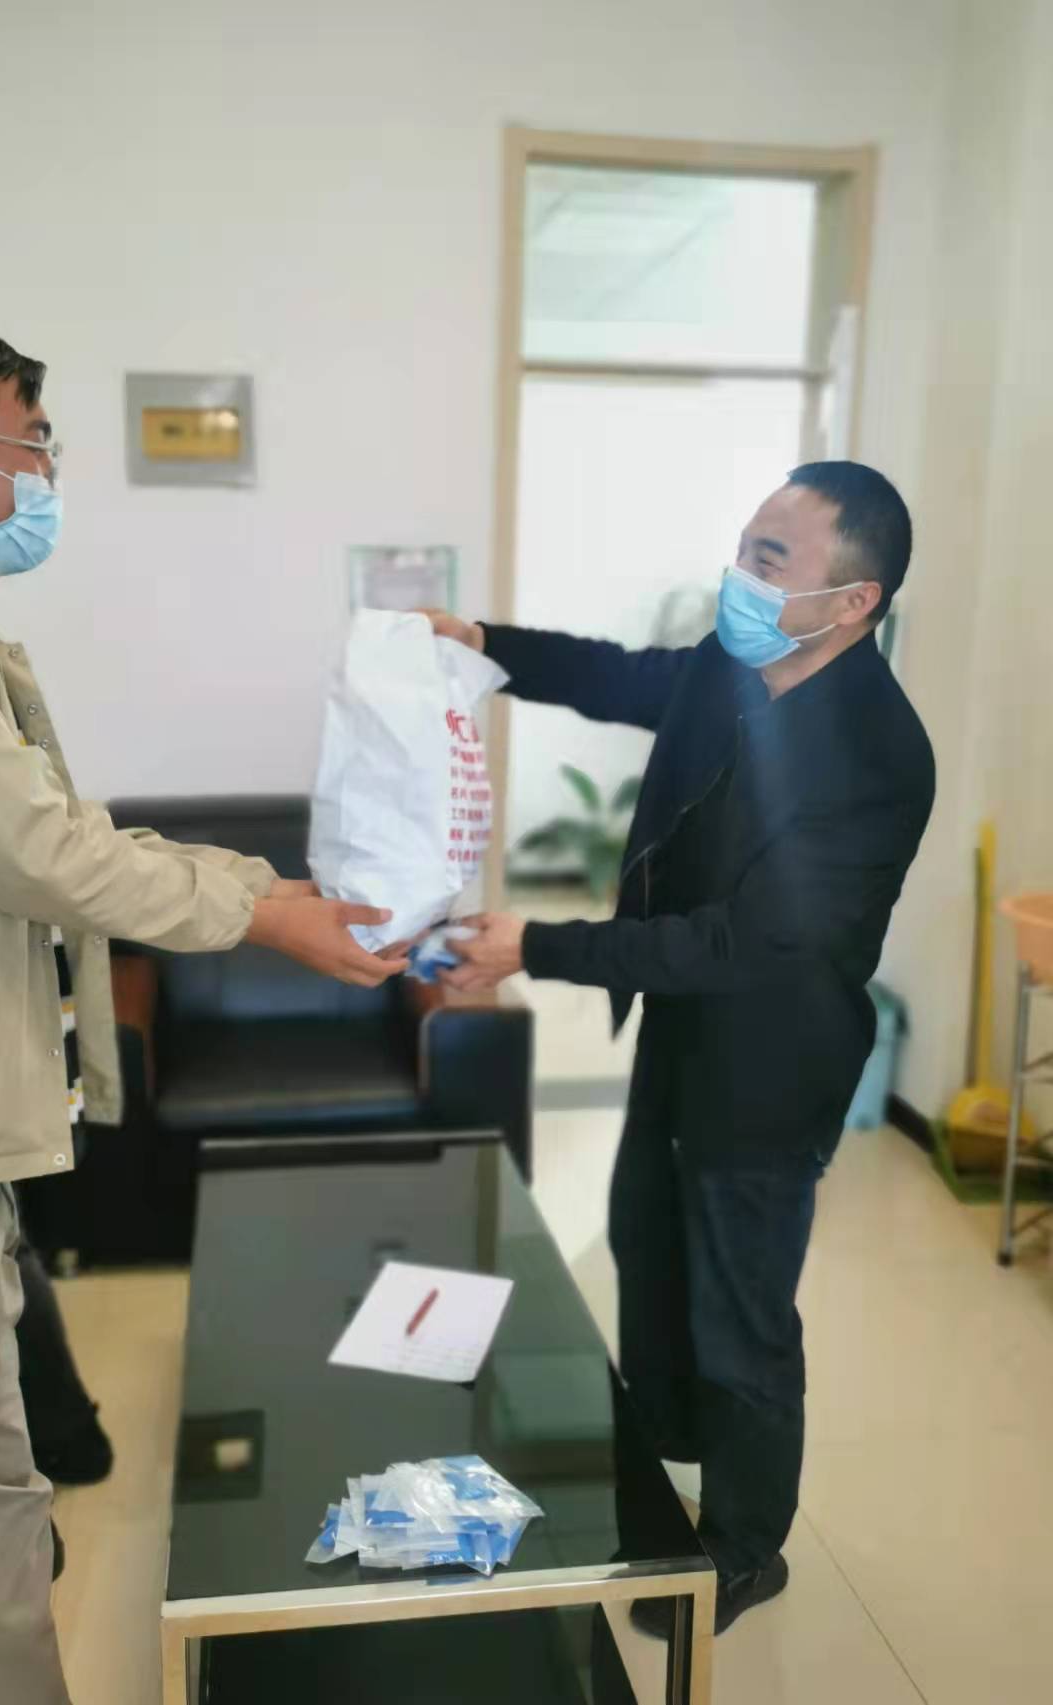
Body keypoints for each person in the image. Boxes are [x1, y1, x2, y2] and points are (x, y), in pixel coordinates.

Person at [0, 317, 407, 1705]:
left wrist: (260, 885)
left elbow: (52, 829)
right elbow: (36, 851)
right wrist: (267, 914)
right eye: (33, 442)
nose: (49, 472)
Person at [425, 461, 934, 1636]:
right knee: (647, 1243)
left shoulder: (874, 753)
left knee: (739, 1308)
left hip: (771, 1067)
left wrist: (535, 945)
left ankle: (746, 1547)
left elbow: (744, 943)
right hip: (681, 1027)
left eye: (769, 560)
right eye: (742, 546)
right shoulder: (736, 665)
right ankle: (664, 1448)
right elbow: (622, 676)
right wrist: (484, 641)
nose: (735, 577)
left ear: (852, 601)